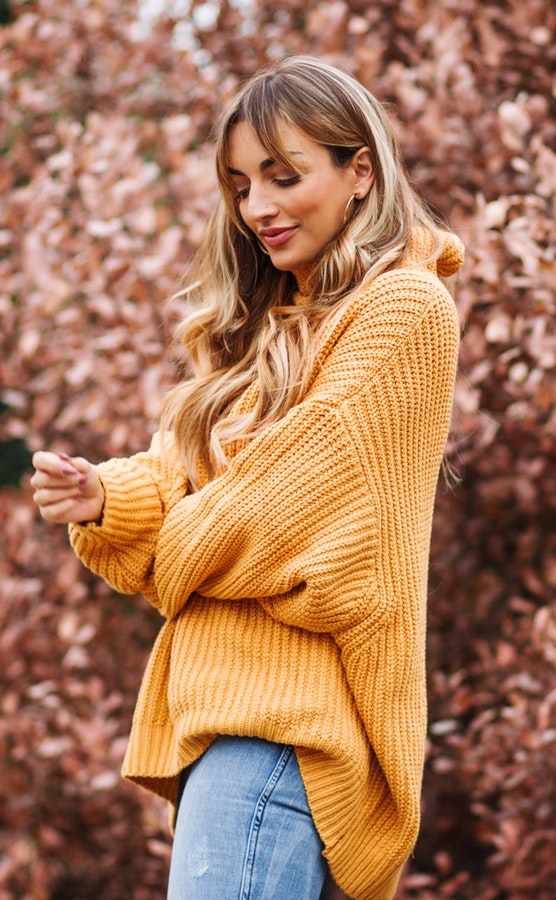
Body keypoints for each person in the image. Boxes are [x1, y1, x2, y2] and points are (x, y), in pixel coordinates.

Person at [31, 55, 464, 900]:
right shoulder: (266, 331)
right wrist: (108, 498)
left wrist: (171, 539)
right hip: (225, 726)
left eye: (283, 175)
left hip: (280, 730)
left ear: (360, 172)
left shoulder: (405, 309)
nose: (256, 208)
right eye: (239, 185)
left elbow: (274, 514)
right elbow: (187, 479)